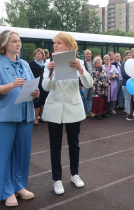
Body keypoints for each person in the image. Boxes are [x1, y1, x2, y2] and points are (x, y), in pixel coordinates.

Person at [0, 30, 39, 206]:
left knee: (23, 154)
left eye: (19, 41)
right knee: (4, 155)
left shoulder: (24, 63)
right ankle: (6, 191)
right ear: (4, 44)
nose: (18, 44)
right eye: (14, 41)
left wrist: (35, 92)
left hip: (25, 114)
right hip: (3, 117)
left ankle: (19, 186)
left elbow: (30, 85)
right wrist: (10, 85)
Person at [42, 32, 93, 195]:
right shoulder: (49, 63)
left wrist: (81, 70)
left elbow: (89, 83)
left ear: (68, 46)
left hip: (73, 107)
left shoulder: (78, 62)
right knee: (55, 145)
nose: (55, 45)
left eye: (59, 43)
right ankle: (57, 179)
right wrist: (50, 75)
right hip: (54, 108)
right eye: (55, 43)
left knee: (74, 143)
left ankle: (74, 174)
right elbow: (45, 87)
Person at [29, 48, 49, 126]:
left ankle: (42, 117)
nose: (37, 55)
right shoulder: (31, 64)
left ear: (42, 55)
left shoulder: (46, 63)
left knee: (44, 101)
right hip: (35, 85)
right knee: (36, 102)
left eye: (39, 54)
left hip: (44, 84)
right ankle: (35, 119)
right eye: (36, 54)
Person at [81, 49, 94, 116]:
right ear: (84, 55)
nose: (88, 55)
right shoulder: (82, 63)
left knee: (90, 98)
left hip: (92, 83)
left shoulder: (93, 62)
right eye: (87, 54)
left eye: (89, 54)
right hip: (85, 83)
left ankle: (89, 111)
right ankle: (83, 112)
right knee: (84, 98)